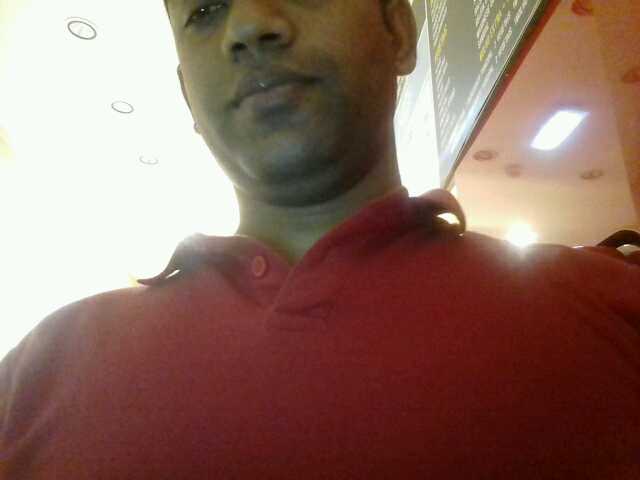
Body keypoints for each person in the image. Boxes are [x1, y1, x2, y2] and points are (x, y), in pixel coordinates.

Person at [1, 0, 639, 477]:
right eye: (205, 10)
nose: (250, 24)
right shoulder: (40, 373)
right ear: (187, 96)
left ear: (398, 29)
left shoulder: (610, 310)